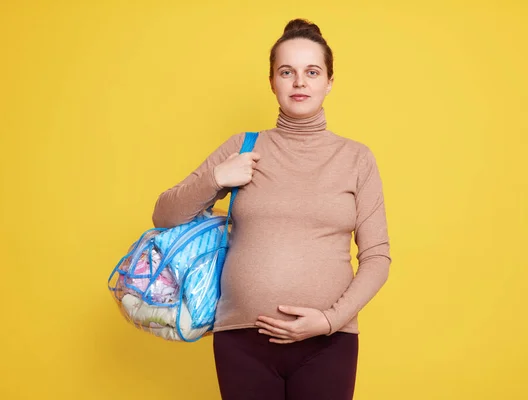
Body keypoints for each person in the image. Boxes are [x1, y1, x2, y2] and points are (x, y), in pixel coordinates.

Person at [152, 18, 391, 400]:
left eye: (312, 72)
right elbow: (164, 216)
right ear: (272, 81)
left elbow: (378, 257)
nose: (299, 82)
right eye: (287, 72)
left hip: (327, 343)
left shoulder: (356, 158)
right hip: (242, 342)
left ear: (329, 81)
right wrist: (217, 177)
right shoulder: (243, 146)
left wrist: (330, 320)